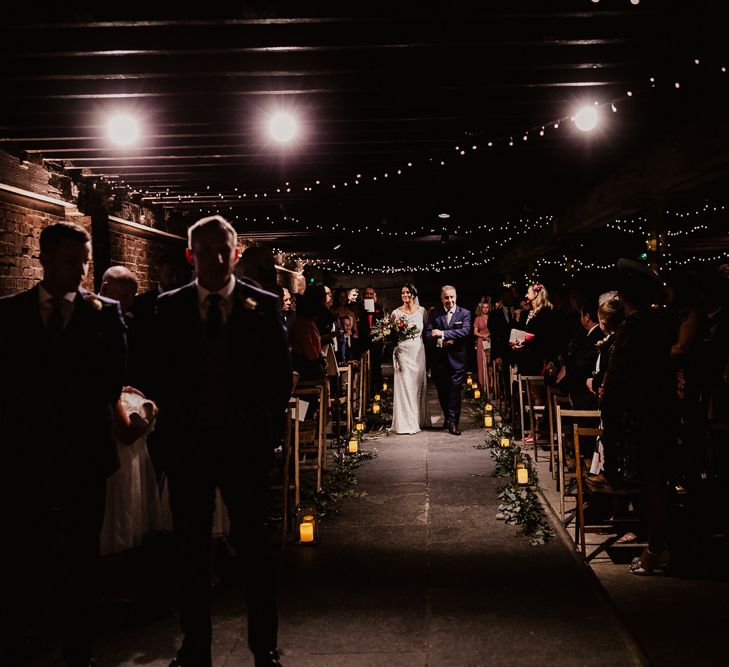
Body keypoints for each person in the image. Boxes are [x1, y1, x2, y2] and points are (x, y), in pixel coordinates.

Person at [153, 215, 291, 666]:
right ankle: (195, 647)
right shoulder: (169, 307)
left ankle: (264, 648)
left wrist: (262, 431)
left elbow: (277, 380)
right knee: (191, 553)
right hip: (189, 448)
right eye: (204, 251)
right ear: (190, 256)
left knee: (255, 552)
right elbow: (157, 376)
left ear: (235, 254)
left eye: (222, 250)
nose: (214, 259)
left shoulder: (263, 304)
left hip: (244, 447)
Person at [0, 221, 127, 666]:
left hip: (84, 452)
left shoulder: (103, 312)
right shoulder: (9, 312)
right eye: (72, 262)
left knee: (80, 554)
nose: (80, 271)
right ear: (45, 260)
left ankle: (79, 649)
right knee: (26, 551)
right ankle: (27, 637)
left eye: (84, 263)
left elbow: (112, 379)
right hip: (25, 454)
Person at [599, 259, 674, 576]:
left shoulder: (634, 329)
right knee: (654, 482)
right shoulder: (657, 323)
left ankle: (656, 550)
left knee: (652, 483)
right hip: (658, 411)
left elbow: (619, 380)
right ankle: (658, 544)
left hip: (641, 415)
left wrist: (607, 405)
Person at [424, 285, 472, 435]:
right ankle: (448, 417)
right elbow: (427, 334)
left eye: (452, 297)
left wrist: (443, 333)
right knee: (443, 392)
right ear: (441, 298)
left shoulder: (465, 313)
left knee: (454, 391)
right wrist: (441, 342)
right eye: (446, 297)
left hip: (457, 360)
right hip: (439, 361)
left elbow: (465, 331)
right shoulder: (434, 313)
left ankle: (453, 423)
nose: (449, 300)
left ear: (456, 297)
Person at [391, 284, 429, 434]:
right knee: (405, 386)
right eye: (403, 293)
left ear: (413, 294)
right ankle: (406, 423)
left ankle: (418, 420)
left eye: (408, 292)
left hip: (418, 352)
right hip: (403, 352)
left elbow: (426, 330)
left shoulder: (422, 311)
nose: (405, 295)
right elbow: (392, 335)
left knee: (417, 385)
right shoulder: (396, 312)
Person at [362, 286, 385, 392]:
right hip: (364, 342)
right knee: (365, 368)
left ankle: (377, 390)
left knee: (376, 366)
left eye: (371, 294)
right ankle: (366, 390)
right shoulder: (359, 308)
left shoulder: (379, 307)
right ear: (364, 295)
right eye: (367, 294)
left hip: (376, 342)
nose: (369, 296)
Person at [473, 298, 492, 391]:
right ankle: (483, 385)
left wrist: (488, 334)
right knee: (481, 363)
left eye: (487, 307)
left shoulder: (493, 317)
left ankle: (492, 385)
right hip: (481, 341)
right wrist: (483, 335)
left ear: (489, 308)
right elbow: (475, 332)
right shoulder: (478, 318)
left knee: (490, 363)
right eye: (483, 307)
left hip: (490, 341)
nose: (485, 309)